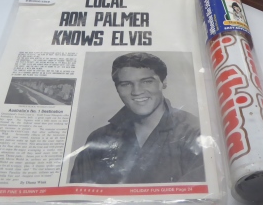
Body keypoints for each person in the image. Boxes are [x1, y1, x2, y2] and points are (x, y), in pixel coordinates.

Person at [69, 52, 205, 184]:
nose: (137, 91)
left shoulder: (194, 133)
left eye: (147, 81)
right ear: (117, 88)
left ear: (163, 82)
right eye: (126, 84)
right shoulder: (98, 139)